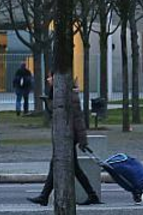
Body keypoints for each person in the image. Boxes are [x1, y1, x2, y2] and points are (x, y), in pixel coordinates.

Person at [28, 74, 102, 206]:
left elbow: (77, 118)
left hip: (68, 137)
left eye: (50, 77)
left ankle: (44, 196)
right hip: (65, 136)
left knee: (58, 165)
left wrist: (82, 140)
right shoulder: (62, 94)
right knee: (70, 168)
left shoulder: (69, 96)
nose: (48, 80)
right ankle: (91, 195)